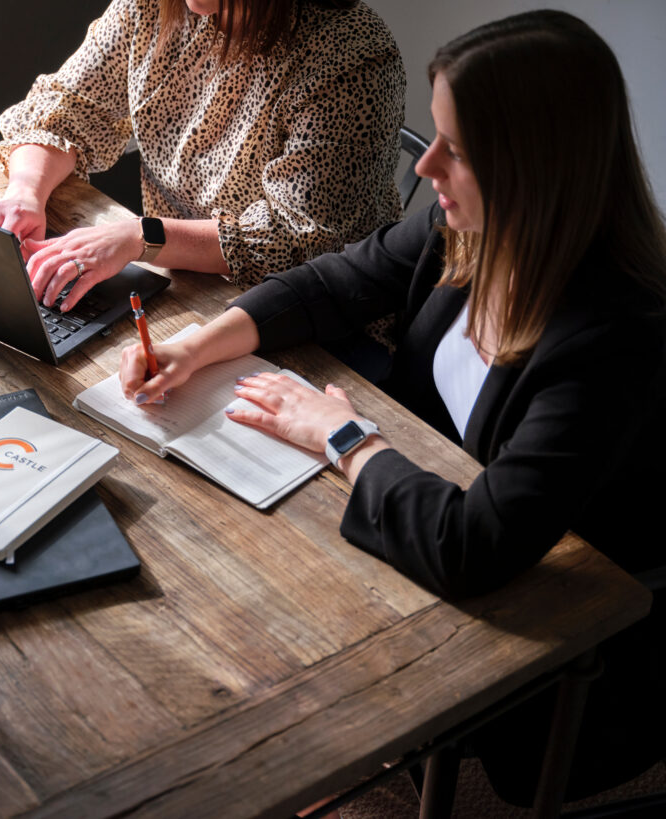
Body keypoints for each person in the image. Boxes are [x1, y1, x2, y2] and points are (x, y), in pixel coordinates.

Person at [119, 10, 666, 807]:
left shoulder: (617, 335)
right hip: (414, 495)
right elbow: (338, 280)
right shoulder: (472, 228)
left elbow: (476, 544)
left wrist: (338, 434)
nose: (428, 164)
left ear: (535, 169)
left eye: (457, 149)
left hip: (540, 617)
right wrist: (199, 344)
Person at [0, 0, 406, 312]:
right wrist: (25, 192)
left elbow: (300, 242)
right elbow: (67, 108)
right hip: (180, 281)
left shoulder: (352, 55)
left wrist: (140, 237)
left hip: (316, 314)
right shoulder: (150, 7)